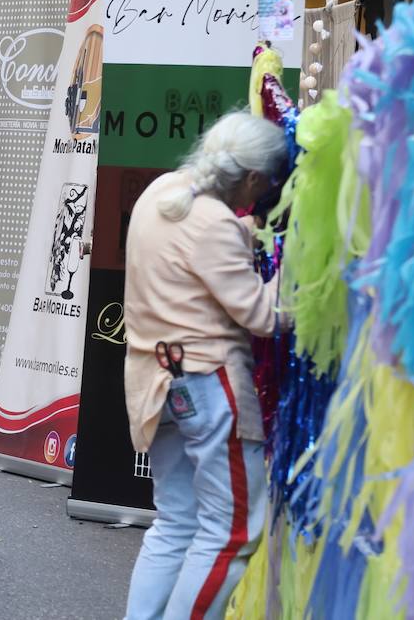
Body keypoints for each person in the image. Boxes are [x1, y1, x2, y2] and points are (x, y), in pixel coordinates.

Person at [121, 112, 289, 620]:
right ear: (255, 180)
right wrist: (298, 260)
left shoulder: (162, 192)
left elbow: (197, 247)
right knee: (232, 530)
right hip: (210, 384)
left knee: (175, 523)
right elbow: (263, 316)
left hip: (157, 382)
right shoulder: (214, 223)